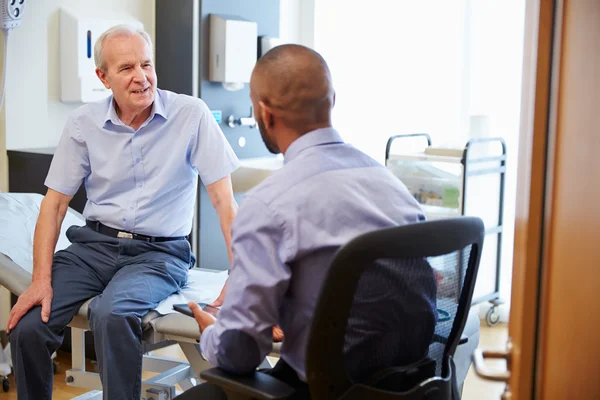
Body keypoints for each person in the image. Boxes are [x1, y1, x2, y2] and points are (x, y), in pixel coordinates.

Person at [175, 44, 437, 399]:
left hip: (321, 388)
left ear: (265, 114)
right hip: (404, 385)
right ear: (331, 101)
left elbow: (241, 353)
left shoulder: (268, 205)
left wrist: (211, 335)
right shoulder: (389, 183)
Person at [6, 25, 239, 400]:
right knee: (29, 326)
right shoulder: (84, 123)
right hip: (92, 247)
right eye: (127, 67)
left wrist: (241, 272)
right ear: (103, 76)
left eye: (146, 64)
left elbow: (224, 202)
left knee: (112, 315)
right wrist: (39, 279)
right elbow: (54, 204)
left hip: (159, 254)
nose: (142, 77)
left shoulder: (191, 116)